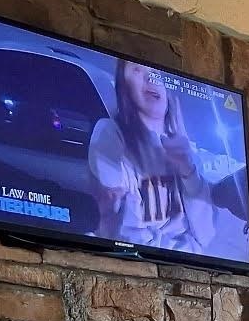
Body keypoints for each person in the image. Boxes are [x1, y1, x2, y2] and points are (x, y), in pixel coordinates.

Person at [87, 60, 217, 253]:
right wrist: (185, 250)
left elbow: (206, 234)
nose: (151, 77)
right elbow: (124, 233)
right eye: (138, 70)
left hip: (186, 265)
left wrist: (186, 168)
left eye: (156, 73)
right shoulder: (111, 134)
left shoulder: (186, 150)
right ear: (124, 87)